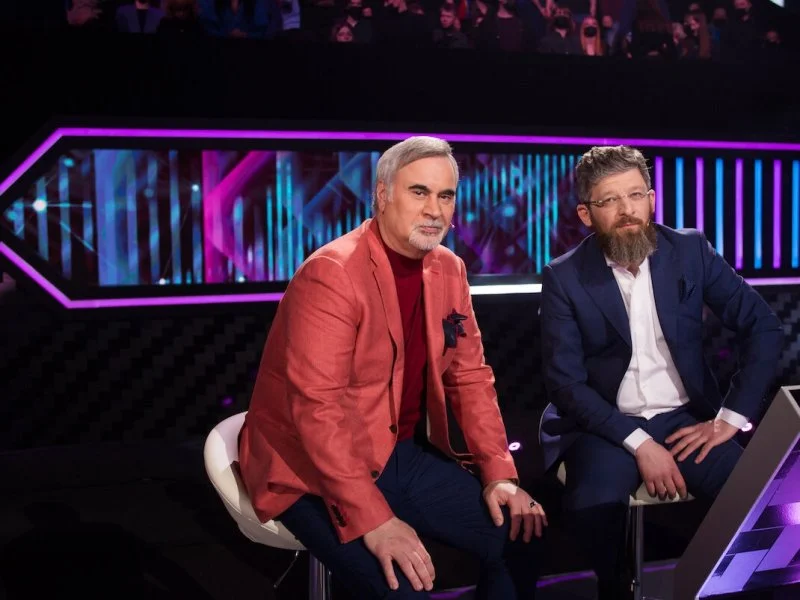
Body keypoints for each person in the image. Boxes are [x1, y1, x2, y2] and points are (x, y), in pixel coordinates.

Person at [239, 136, 547, 599]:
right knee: (404, 588)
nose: (434, 210)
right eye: (419, 192)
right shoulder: (332, 274)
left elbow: (470, 377)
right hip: (308, 467)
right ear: (382, 195)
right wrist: (375, 519)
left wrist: (498, 473)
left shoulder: (449, 268)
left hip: (396, 454)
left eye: (445, 196)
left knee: (523, 535)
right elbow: (317, 411)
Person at [538, 145, 783, 600]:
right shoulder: (564, 276)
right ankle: (616, 589)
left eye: (636, 195)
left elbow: (763, 327)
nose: (627, 210)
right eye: (610, 200)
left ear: (651, 199)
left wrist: (729, 419)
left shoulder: (689, 250)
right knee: (593, 506)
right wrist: (640, 443)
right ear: (586, 214)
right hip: (605, 423)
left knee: (759, 503)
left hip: (685, 419)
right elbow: (566, 384)